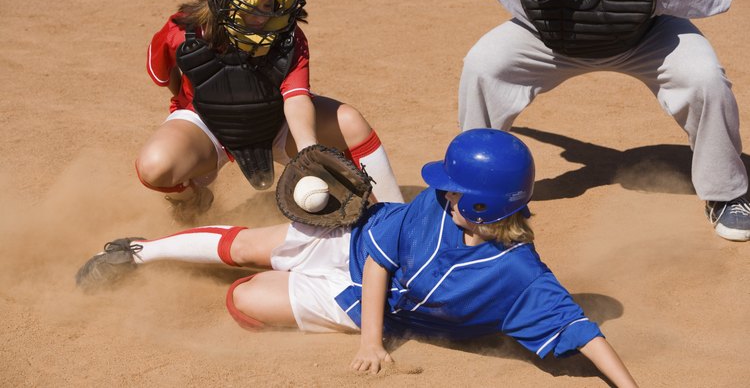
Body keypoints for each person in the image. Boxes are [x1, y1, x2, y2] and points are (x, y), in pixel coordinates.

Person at [76, 129, 638, 387]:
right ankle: (140, 252)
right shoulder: (435, 210)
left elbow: (580, 329)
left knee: (243, 302)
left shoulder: (520, 274)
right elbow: (378, 263)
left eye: (453, 188)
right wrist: (372, 343)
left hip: (355, 303)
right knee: (248, 248)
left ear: (483, 202)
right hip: (353, 240)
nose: (441, 190)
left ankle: (274, 280)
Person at [450, 0, 750, 241]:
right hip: (545, 39)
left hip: (645, 38)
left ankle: (726, 192)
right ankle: (470, 183)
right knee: (484, 65)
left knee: (703, 76)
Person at [138, 0, 403, 224]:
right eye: (250, 6)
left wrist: (308, 152)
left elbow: (296, 97)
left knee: (350, 121)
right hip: (207, 124)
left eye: (267, 4)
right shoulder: (181, 31)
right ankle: (193, 199)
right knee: (154, 166)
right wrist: (184, 102)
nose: (263, 17)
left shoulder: (288, 36)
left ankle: (396, 218)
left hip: (275, 122)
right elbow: (166, 74)